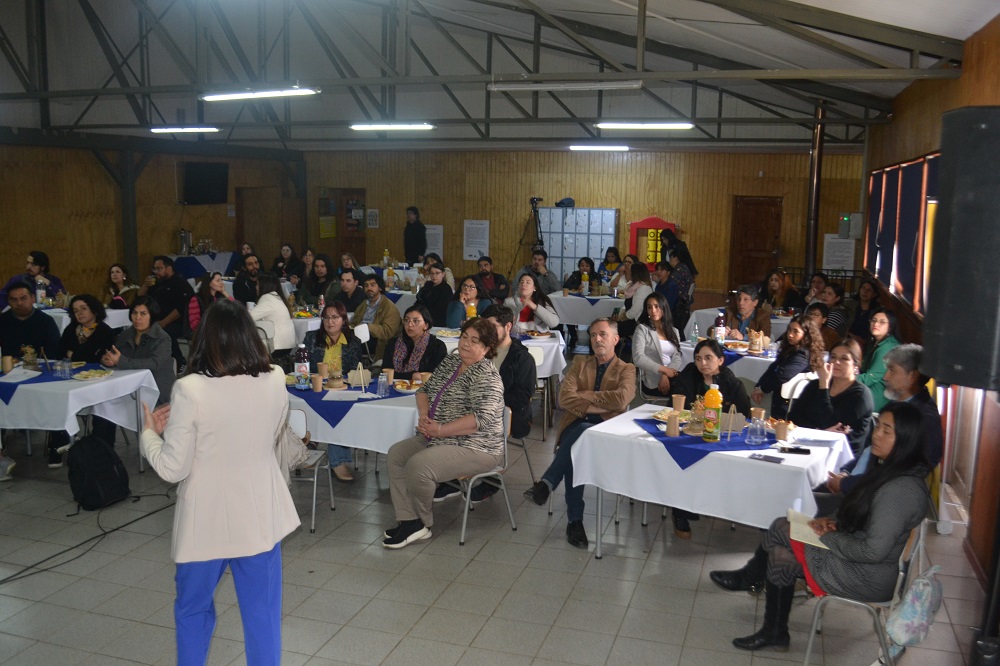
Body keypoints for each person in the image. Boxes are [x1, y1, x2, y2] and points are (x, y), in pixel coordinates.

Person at [140, 299, 299, 665]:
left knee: (193, 611)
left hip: (205, 522)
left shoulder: (190, 389)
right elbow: (272, 432)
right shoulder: (275, 378)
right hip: (260, 514)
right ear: (249, 335)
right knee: (262, 615)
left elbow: (172, 468)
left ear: (203, 339)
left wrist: (150, 435)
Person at [710, 401, 929, 654]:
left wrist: (828, 537)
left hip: (865, 575)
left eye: (886, 431)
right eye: (879, 426)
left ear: (906, 439)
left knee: (783, 526)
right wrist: (834, 521)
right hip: (857, 559)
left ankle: (750, 578)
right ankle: (774, 631)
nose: (876, 434)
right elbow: (861, 509)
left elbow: (873, 552)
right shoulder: (892, 470)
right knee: (781, 553)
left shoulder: (899, 491)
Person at [383, 318, 505, 548]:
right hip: (439, 437)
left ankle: (422, 523)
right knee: (396, 455)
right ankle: (409, 519)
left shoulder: (487, 376)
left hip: (477, 446)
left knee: (419, 466)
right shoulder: (452, 361)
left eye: (474, 340)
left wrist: (440, 429)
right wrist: (424, 416)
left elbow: (480, 419)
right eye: (464, 337)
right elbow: (424, 390)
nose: (466, 344)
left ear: (487, 348)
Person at [523, 319, 635, 548]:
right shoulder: (581, 364)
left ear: (615, 339)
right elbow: (564, 398)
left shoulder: (627, 368)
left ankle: (548, 486)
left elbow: (622, 399)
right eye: (593, 335)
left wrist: (585, 396)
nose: (597, 339)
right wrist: (602, 404)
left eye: (603, 334)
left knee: (579, 441)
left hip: (608, 431)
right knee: (579, 442)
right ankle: (574, 521)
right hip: (576, 424)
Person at [818, 344, 943, 516]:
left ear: (912, 376)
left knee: (796, 501)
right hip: (855, 484)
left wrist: (846, 484)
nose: (885, 377)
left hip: (865, 503)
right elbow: (870, 450)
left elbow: (897, 475)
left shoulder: (921, 419)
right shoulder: (898, 405)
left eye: (892, 370)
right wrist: (845, 472)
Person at [437, 304, 538, 504]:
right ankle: (451, 475)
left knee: (473, 423)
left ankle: (489, 479)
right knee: (446, 415)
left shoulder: (521, 358)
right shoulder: (478, 351)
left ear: (508, 327)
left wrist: (486, 402)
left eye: (492, 327)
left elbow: (521, 398)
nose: (487, 333)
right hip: (473, 410)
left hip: (509, 415)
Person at [670, 338, 751, 538]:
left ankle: (717, 504)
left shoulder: (732, 383)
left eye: (708, 358)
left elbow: (743, 417)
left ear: (721, 360)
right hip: (690, 434)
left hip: (721, 438)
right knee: (683, 458)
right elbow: (676, 408)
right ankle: (680, 511)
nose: (702, 363)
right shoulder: (689, 376)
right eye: (698, 358)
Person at [48, 294, 119, 467]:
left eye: (83, 309)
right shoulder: (71, 329)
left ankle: (98, 446)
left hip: (96, 379)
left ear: (94, 310)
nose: (79, 313)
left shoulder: (105, 331)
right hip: (70, 377)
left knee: (103, 404)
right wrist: (80, 355)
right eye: (75, 310)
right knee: (56, 398)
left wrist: (73, 354)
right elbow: (59, 354)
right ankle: (59, 443)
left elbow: (102, 357)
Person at [303, 301, 364, 482]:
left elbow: (355, 370)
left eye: (335, 317)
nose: (330, 322)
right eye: (326, 317)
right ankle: (308, 443)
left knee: (339, 409)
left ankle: (338, 461)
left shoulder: (353, 342)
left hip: (341, 388)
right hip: (317, 387)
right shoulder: (311, 338)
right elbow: (303, 367)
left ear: (343, 320)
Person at [787, 338, 874, 454]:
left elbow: (831, 423)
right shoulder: (814, 386)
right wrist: (819, 431)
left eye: (844, 359)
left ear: (856, 365)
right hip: (807, 445)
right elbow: (793, 417)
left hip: (843, 455)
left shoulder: (861, 395)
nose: (836, 362)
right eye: (833, 357)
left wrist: (824, 386)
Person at [101, 297, 176, 406]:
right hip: (128, 387)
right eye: (134, 313)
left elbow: (154, 363)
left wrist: (121, 361)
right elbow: (115, 355)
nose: (137, 318)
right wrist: (107, 359)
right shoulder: (125, 335)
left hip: (156, 390)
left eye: (143, 314)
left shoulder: (162, 338)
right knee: (105, 404)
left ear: (152, 316)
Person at [752, 315, 825, 419]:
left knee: (741, 388)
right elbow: (773, 368)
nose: (790, 335)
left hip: (784, 402)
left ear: (806, 334)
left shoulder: (802, 354)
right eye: (789, 330)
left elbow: (782, 375)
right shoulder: (792, 349)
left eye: (796, 331)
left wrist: (762, 389)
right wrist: (759, 387)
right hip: (777, 394)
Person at [140, 256, 194, 370]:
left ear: (169, 268)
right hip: (156, 319)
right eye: (154, 269)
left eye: (159, 268)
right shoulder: (157, 283)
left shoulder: (180, 283)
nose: (156, 272)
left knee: (165, 332)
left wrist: (164, 322)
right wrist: (145, 285)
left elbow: (181, 309)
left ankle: (180, 360)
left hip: (178, 322)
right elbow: (140, 298)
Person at [633, 292, 683, 398]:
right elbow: (638, 357)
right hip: (652, 378)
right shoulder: (642, 329)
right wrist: (664, 370)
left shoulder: (674, 331)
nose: (653, 310)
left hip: (671, 377)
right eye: (649, 307)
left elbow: (677, 357)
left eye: (657, 306)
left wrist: (665, 375)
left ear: (664, 308)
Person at [382, 304, 448, 381]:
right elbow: (386, 372)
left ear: (426, 325)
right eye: (406, 320)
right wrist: (411, 376)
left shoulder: (437, 346)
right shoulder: (393, 343)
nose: (409, 325)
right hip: (395, 388)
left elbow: (438, 377)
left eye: (415, 321)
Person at [0, 281, 59, 359]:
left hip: (39, 367)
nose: (19, 303)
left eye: (23, 298)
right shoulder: (2, 321)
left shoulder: (46, 322)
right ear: (9, 302)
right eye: (14, 300)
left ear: (33, 298)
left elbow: (54, 352)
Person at [857, 307, 900, 411]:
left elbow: (869, 379)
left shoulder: (888, 347)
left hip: (876, 399)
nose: (876, 324)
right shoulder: (876, 342)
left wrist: (843, 377)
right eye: (874, 320)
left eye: (882, 322)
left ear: (890, 326)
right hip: (867, 392)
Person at [351, 273, 402, 361]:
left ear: (380, 288)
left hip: (376, 340)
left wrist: (368, 327)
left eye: (372, 285)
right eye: (366, 286)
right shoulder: (364, 304)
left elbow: (388, 332)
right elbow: (354, 322)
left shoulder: (389, 307)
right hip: (358, 335)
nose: (369, 288)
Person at [0, 250, 67, 310]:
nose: (28, 267)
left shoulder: (54, 280)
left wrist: (47, 283)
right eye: (27, 263)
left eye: (33, 264)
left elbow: (63, 299)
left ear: (42, 268)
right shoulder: (18, 279)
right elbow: (2, 296)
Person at [250, 273, 296, 355]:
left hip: (277, 346)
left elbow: (248, 317)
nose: (256, 287)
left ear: (264, 286)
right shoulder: (277, 297)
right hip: (286, 344)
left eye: (257, 284)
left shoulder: (268, 299)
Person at [616, 262, 654, 339]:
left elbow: (634, 311)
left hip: (636, 323)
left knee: (606, 329)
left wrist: (621, 318)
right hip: (629, 319)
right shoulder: (634, 286)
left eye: (630, 271)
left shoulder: (644, 288)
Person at [665, 249, 695, 331]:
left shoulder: (680, 269)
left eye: (671, 258)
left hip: (679, 304)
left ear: (676, 258)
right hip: (683, 302)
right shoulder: (683, 267)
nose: (669, 260)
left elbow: (670, 283)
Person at [416, 262, 454, 327]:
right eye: (432, 273)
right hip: (423, 316)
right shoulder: (428, 284)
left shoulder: (446, 289)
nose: (434, 276)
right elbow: (419, 299)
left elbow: (441, 310)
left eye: (437, 273)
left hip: (437, 321)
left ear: (443, 274)